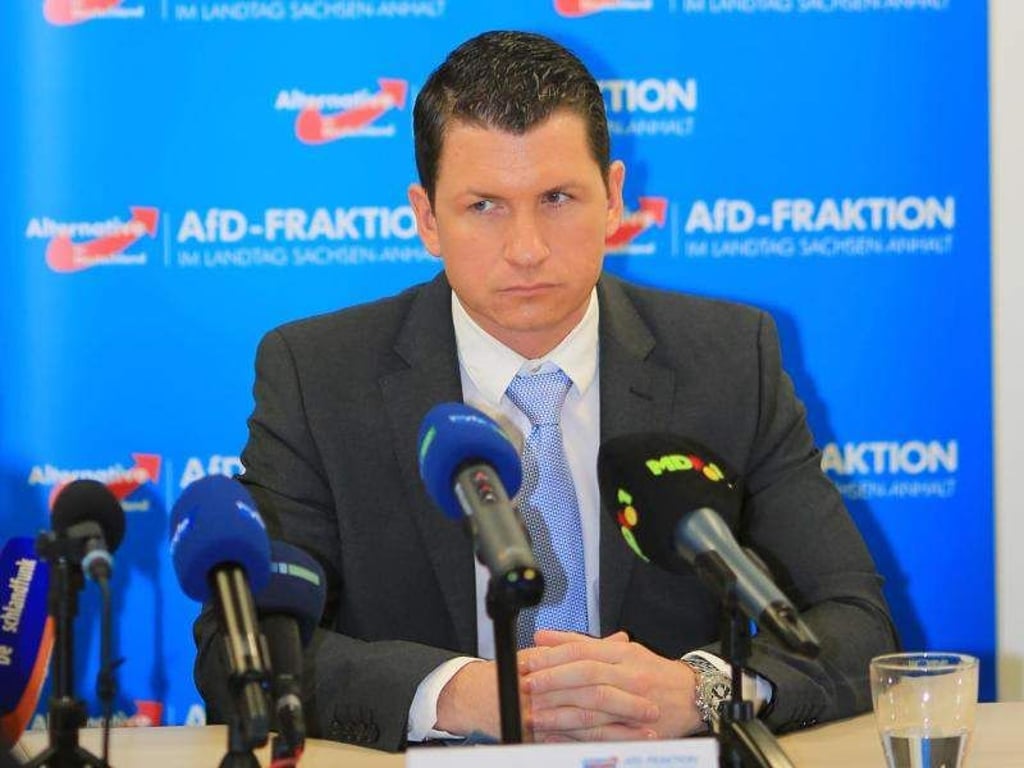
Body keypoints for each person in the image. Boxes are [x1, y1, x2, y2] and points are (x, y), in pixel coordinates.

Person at [194, 30, 898, 752]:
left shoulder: (727, 361)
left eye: (558, 197)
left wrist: (701, 690)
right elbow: (240, 650)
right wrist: (458, 694)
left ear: (615, 197)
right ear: (427, 218)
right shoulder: (318, 376)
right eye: (485, 206)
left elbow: (856, 623)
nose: (527, 247)